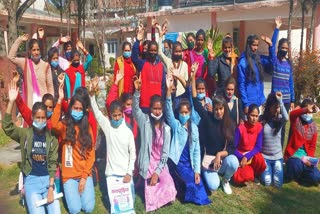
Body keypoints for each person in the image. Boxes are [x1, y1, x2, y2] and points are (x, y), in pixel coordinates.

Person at [2, 81, 60, 214]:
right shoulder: (25, 135)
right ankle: (26, 194)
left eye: (43, 118)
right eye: (37, 118)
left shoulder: (52, 138)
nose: (40, 121)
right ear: (32, 117)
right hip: (31, 180)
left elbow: (52, 164)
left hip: (47, 181)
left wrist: (51, 188)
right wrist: (11, 102)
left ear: (47, 119)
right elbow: (7, 127)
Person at [89, 77, 136, 207]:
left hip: (125, 174)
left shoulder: (128, 131)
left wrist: (129, 173)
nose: (116, 118)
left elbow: (133, 154)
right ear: (110, 115)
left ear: (122, 115)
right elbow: (97, 112)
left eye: (118, 115)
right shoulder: (108, 127)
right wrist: (92, 94)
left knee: (130, 203)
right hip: (111, 175)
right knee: (116, 205)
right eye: (114, 115)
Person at [165, 73, 211, 205]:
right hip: (178, 162)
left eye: (186, 112)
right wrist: (168, 92)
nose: (184, 115)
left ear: (190, 113)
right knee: (190, 183)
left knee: (199, 182)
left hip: (189, 163)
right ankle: (181, 191)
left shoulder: (194, 128)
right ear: (178, 113)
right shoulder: (176, 125)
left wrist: (197, 171)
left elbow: (196, 152)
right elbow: (168, 111)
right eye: (182, 112)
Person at [133, 76, 177, 212]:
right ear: (150, 109)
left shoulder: (167, 129)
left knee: (169, 187)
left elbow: (164, 155)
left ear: (162, 110)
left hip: (160, 165)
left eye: (159, 109)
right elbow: (135, 110)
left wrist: (157, 173)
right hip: (148, 162)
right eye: (154, 108)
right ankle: (144, 183)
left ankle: (145, 183)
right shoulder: (144, 121)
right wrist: (137, 92)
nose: (157, 111)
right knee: (151, 196)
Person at [192, 71, 238, 194]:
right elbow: (195, 101)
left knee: (234, 161)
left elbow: (233, 148)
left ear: (224, 109)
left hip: (221, 160)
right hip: (209, 162)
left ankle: (226, 180)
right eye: (216, 109)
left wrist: (220, 154)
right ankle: (212, 176)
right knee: (213, 186)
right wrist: (192, 77)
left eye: (221, 109)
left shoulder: (230, 124)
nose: (218, 112)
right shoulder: (207, 118)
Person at [51, 84, 95, 214]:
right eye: (75, 108)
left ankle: (81, 192)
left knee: (88, 208)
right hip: (69, 176)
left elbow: (91, 155)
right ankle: (73, 192)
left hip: (84, 174)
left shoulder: (87, 129)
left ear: (84, 111)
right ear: (71, 109)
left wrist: (83, 178)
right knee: (75, 209)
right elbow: (53, 124)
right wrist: (59, 101)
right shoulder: (65, 126)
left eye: (80, 109)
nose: (77, 111)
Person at [261, 16, 295, 148]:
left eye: (286, 48)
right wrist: (276, 28)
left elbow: (291, 82)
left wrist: (292, 98)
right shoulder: (275, 62)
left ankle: (279, 151)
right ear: (279, 48)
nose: (284, 50)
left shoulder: (289, 64)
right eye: (282, 47)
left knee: (282, 126)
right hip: (275, 100)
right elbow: (272, 45)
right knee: (271, 123)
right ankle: (268, 148)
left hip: (286, 101)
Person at [8, 34, 54, 108]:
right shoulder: (25, 63)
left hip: (44, 106)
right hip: (30, 106)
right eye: (34, 50)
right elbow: (11, 57)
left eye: (38, 50)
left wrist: (50, 105)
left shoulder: (46, 66)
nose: (36, 52)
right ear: (30, 51)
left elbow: (50, 87)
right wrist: (20, 40)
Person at [284, 99, 320, 185]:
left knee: (316, 176)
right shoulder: (296, 121)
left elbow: (312, 146)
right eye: (306, 112)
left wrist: (309, 160)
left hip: (306, 159)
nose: (308, 114)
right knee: (296, 165)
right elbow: (292, 113)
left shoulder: (313, 126)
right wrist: (306, 109)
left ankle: (298, 176)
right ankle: (294, 172)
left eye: (310, 112)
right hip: (294, 156)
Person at [132, 26, 166, 112]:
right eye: (151, 50)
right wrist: (137, 41)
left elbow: (163, 86)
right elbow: (134, 58)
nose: (153, 53)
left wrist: (162, 102)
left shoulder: (161, 66)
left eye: (155, 51)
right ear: (147, 51)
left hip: (157, 106)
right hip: (145, 105)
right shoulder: (143, 64)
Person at [260, 92, 289, 188]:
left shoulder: (280, 119)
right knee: (267, 182)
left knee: (277, 184)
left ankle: (276, 170)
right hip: (265, 157)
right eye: (274, 107)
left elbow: (287, 118)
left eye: (277, 107)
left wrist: (281, 102)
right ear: (268, 107)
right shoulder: (262, 119)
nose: (276, 110)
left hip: (277, 157)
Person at [233, 104, 266, 185]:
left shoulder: (259, 127)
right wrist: (242, 157)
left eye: (256, 116)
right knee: (243, 177)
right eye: (252, 115)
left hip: (251, 155)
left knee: (260, 160)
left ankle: (255, 174)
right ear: (247, 115)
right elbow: (233, 147)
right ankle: (248, 172)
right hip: (240, 155)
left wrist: (247, 156)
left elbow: (258, 147)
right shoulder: (241, 127)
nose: (254, 118)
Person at [237, 34, 270, 114]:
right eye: (253, 45)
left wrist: (271, 46)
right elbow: (241, 85)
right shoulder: (243, 62)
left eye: (257, 45)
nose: (255, 48)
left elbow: (272, 62)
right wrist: (246, 104)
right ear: (248, 45)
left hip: (259, 102)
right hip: (249, 103)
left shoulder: (259, 59)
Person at [156, 24, 188, 97]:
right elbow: (159, 53)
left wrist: (178, 77)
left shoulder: (185, 65)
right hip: (169, 93)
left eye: (180, 51)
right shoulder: (169, 61)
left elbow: (186, 82)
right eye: (176, 51)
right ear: (172, 52)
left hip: (181, 95)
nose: (178, 53)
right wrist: (161, 36)